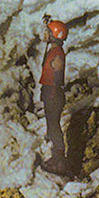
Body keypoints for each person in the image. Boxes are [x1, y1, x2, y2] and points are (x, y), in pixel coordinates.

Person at [38, 15, 69, 176]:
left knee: (54, 127)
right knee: (52, 127)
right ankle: (57, 159)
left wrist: (50, 92)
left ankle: (60, 163)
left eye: (48, 32)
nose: (45, 35)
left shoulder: (57, 53)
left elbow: (56, 76)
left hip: (53, 93)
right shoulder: (54, 50)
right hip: (51, 92)